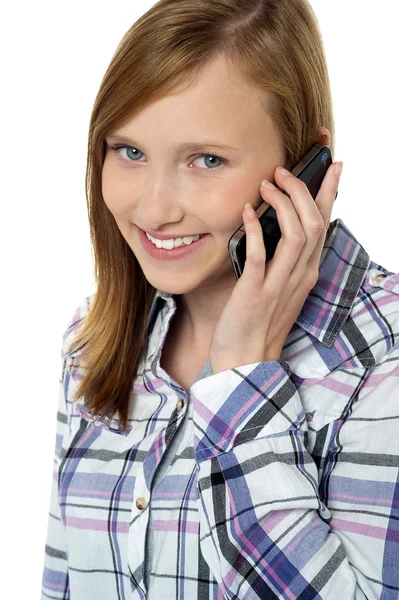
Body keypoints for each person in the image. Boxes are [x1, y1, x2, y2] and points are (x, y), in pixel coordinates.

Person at [41, 0, 399, 598]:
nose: (153, 209)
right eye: (129, 151)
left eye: (206, 160)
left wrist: (243, 379)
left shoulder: (381, 360)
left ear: (304, 164)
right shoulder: (93, 338)